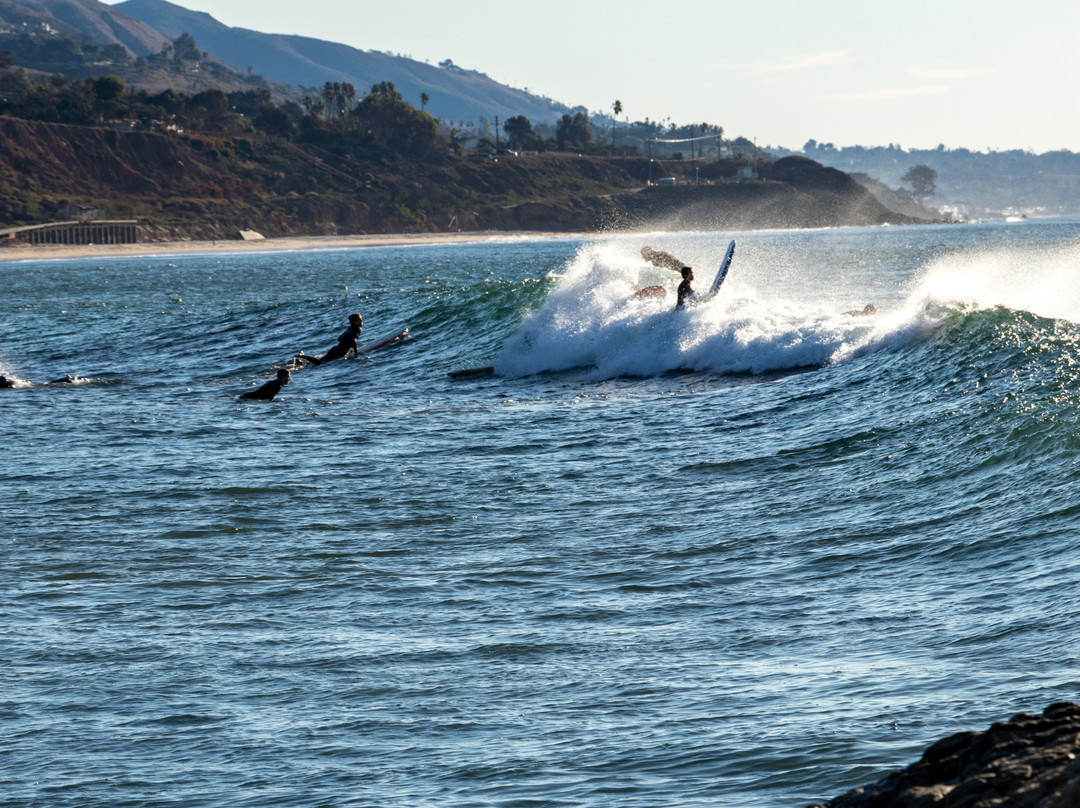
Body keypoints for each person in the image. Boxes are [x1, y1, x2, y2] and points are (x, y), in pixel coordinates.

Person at [296, 312, 363, 366]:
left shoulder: (349, 328)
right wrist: (355, 353)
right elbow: (353, 340)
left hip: (335, 348)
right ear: (355, 321)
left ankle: (301, 362)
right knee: (320, 363)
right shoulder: (357, 328)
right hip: (340, 352)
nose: (362, 321)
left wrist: (347, 348)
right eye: (360, 319)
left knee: (321, 361)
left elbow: (339, 338)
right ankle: (304, 357)